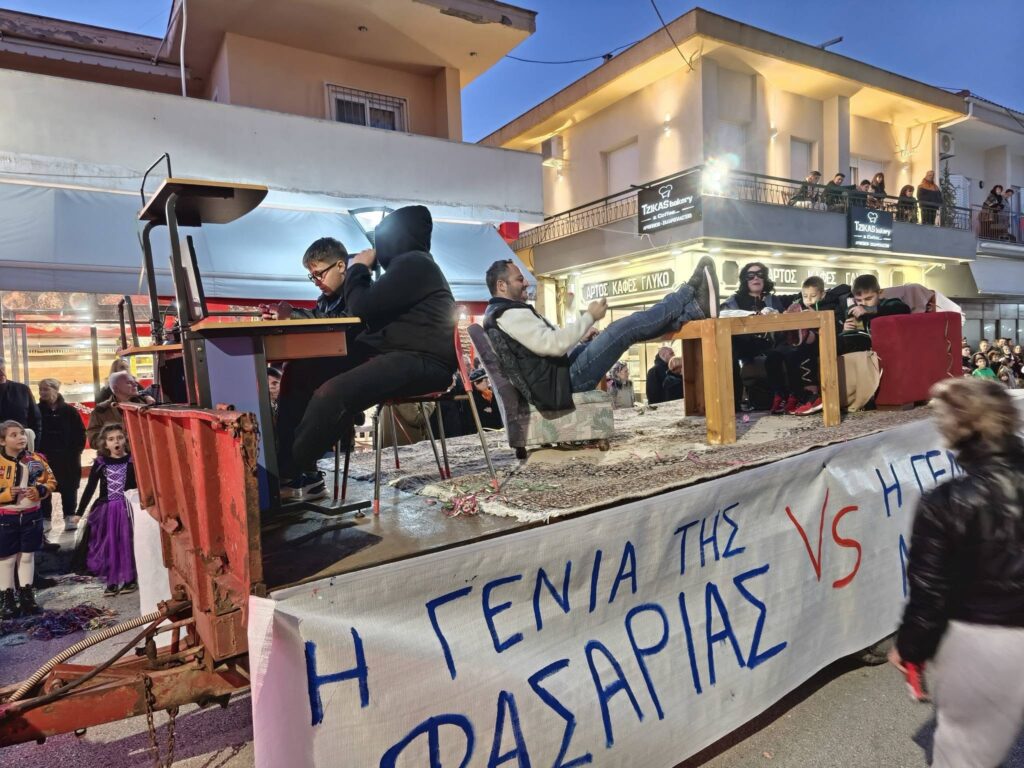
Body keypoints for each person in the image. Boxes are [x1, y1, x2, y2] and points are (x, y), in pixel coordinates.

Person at [890, 378, 1024, 768]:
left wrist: (910, 647)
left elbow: (929, 592)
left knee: (962, 756)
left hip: (983, 642)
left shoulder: (946, 501)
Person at [288, 206, 458, 486]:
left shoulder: (415, 263)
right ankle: (287, 464)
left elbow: (362, 306)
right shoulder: (410, 266)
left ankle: (295, 470)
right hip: (405, 356)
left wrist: (358, 267)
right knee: (303, 372)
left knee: (333, 393)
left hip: (423, 361)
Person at [482, 257, 718, 412]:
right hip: (562, 384)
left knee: (624, 331)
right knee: (622, 329)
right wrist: (589, 317)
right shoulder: (507, 314)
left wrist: (580, 338)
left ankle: (693, 310)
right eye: (519, 279)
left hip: (559, 377)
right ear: (502, 286)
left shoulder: (503, 313)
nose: (525, 283)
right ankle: (687, 294)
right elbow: (552, 345)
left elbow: (541, 350)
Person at [262, 238, 366, 500]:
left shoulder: (359, 288)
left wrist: (292, 316)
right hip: (332, 365)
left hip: (357, 364)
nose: (316, 281)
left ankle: (297, 473)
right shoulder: (325, 300)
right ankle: (300, 473)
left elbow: (348, 321)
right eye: (312, 276)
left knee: (298, 382)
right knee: (293, 378)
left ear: (341, 266)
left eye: (319, 273)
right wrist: (284, 317)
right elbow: (322, 321)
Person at [720, 262, 796, 413]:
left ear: (765, 278)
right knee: (728, 352)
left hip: (770, 345)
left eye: (760, 274)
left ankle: (786, 397)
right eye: (751, 275)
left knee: (785, 351)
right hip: (744, 345)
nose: (756, 278)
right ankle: (733, 404)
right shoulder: (733, 301)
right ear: (745, 279)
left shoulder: (773, 300)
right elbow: (722, 315)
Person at [0, 420, 56, 618]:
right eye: (13, 435)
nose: (21, 437)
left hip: (32, 516)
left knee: (27, 556)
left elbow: (50, 481)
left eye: (22, 433)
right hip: (6, 518)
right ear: (2, 441)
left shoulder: (35, 460)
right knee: (7, 559)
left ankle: (27, 596)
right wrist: (6, 494)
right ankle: (7, 599)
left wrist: (41, 490)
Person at [77, 424, 137, 596]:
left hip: (127, 509)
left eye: (119, 438)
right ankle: (112, 580)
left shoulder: (132, 461)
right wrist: (79, 512)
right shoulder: (100, 463)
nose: (116, 442)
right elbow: (90, 488)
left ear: (125, 440)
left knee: (126, 543)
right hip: (107, 510)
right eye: (111, 439)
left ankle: (129, 579)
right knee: (108, 544)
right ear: (105, 443)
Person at [779, 276, 843, 415]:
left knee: (804, 347)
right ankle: (797, 395)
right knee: (788, 353)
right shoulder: (799, 306)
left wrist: (817, 316)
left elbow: (838, 326)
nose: (808, 299)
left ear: (822, 294)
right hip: (804, 345)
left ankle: (812, 395)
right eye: (805, 296)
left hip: (827, 340)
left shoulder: (832, 305)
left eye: (813, 296)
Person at [37, 378, 86, 531]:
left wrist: (76, 451)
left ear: (56, 390)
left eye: (46, 389)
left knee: (69, 487)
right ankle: (45, 518)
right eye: (40, 389)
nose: (42, 392)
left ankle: (70, 516)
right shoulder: (36, 410)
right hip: (44, 457)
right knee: (44, 486)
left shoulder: (70, 411)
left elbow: (80, 433)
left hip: (68, 458)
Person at [838, 274, 910, 355]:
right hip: (864, 351)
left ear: (880, 293)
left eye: (868, 299)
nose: (863, 303)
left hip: (889, 347)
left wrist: (870, 310)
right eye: (859, 300)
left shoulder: (888, 304)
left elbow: (903, 309)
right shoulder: (853, 311)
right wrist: (845, 331)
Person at [87, 371, 151, 449]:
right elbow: (93, 440)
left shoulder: (147, 405)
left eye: (134, 381)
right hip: (117, 456)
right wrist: (115, 440)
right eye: (129, 383)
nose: (135, 384)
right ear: (116, 388)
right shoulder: (101, 411)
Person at [0, 357, 40, 438]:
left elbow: (35, 420)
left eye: (3, 369)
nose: (2, 373)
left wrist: (34, 442)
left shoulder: (22, 389)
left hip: (21, 441)